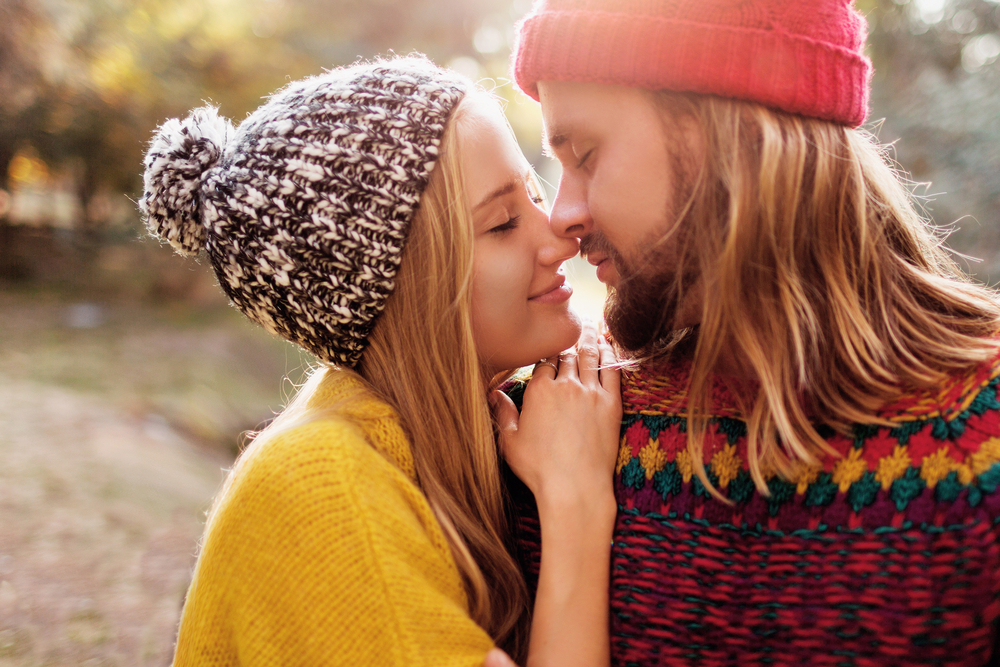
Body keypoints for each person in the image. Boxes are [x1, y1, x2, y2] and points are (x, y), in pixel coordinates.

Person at [504, 0, 1000, 665]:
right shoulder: (565, 428)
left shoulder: (981, 437)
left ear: (731, 136)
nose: (562, 214)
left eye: (586, 154)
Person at [140, 56, 622, 667]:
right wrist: (576, 502)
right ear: (400, 290)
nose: (560, 237)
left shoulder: (451, 441)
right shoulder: (321, 492)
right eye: (502, 223)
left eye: (533, 193)